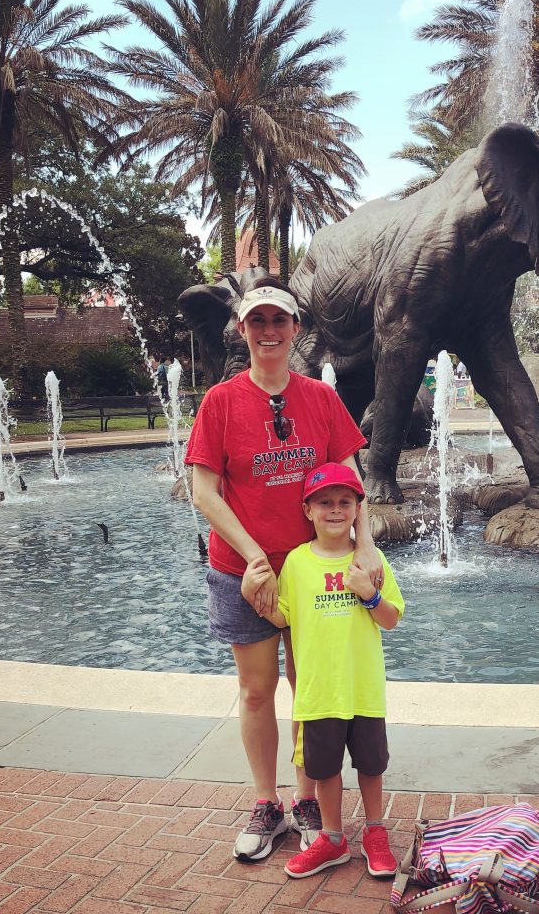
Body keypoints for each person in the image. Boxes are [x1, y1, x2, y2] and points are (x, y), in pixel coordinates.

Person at [185, 276, 382, 863]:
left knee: (309, 688)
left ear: (296, 330)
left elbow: (350, 479)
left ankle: (305, 798)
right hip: (240, 570)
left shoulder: (320, 398)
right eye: (258, 322)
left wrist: (364, 546)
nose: (269, 332)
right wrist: (252, 558)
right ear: (242, 330)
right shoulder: (220, 401)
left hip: (309, 571)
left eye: (280, 321)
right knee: (255, 690)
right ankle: (266, 801)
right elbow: (204, 491)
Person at [250, 461, 404, 879]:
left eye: (344, 502)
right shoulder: (298, 564)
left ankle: (375, 833)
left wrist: (370, 595)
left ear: (358, 509)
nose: (335, 510)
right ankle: (333, 839)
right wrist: (253, 595)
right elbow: (283, 619)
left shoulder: (369, 560)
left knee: (371, 766)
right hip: (318, 693)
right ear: (308, 510)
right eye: (325, 503)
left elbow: (391, 619)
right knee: (324, 770)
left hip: (363, 689)